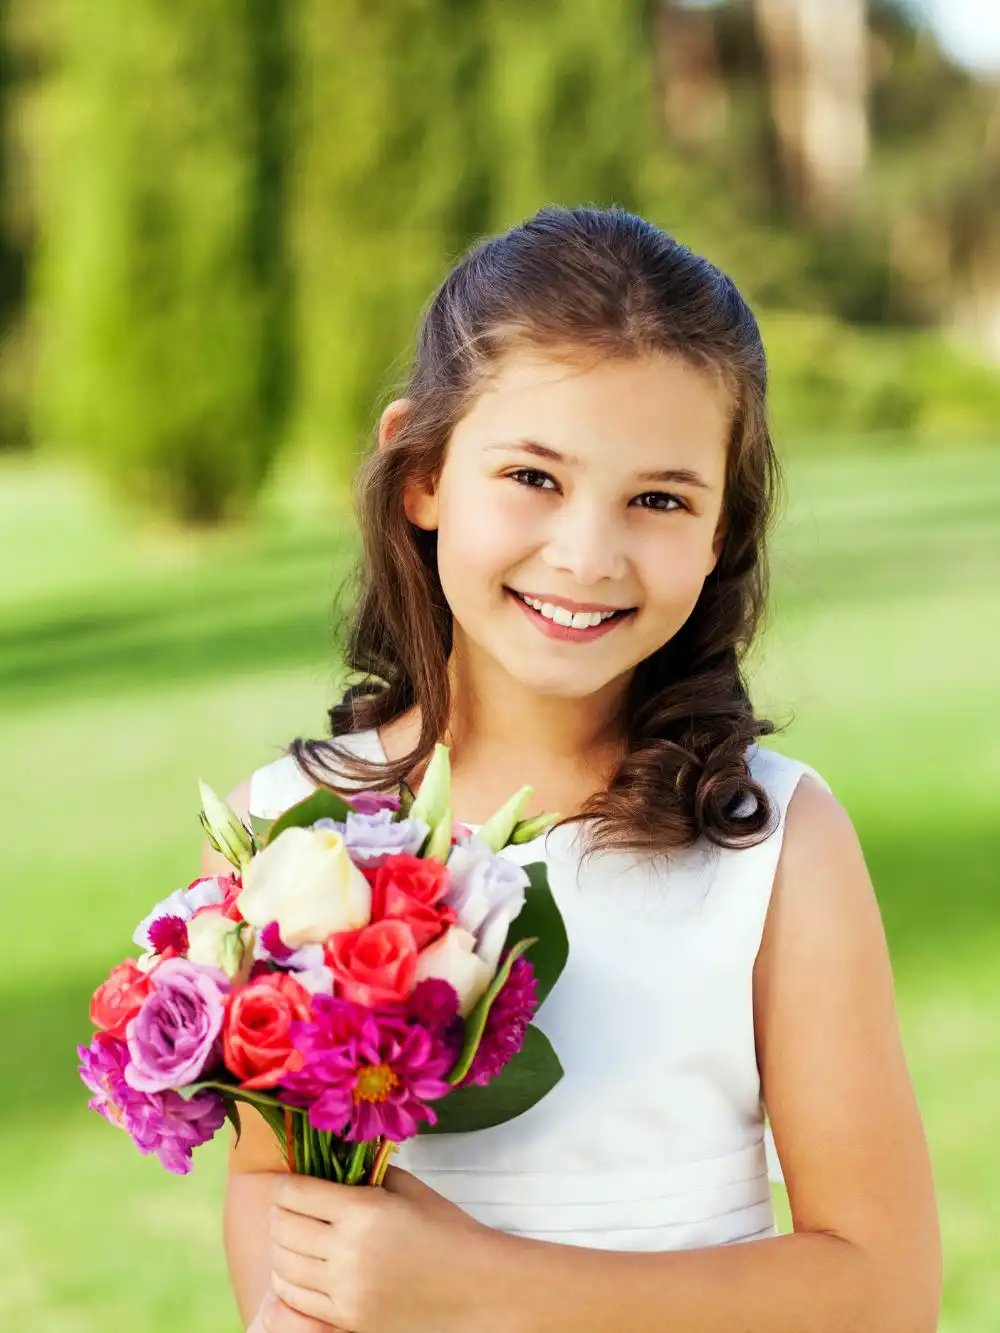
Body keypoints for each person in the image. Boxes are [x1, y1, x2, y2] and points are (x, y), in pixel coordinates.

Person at [201, 206, 941, 1333]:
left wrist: (475, 1287)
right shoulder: (292, 833)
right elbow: (268, 1177)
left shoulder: (774, 842)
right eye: (534, 478)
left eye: (658, 499)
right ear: (423, 474)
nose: (585, 554)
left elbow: (881, 1290)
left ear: (722, 533)